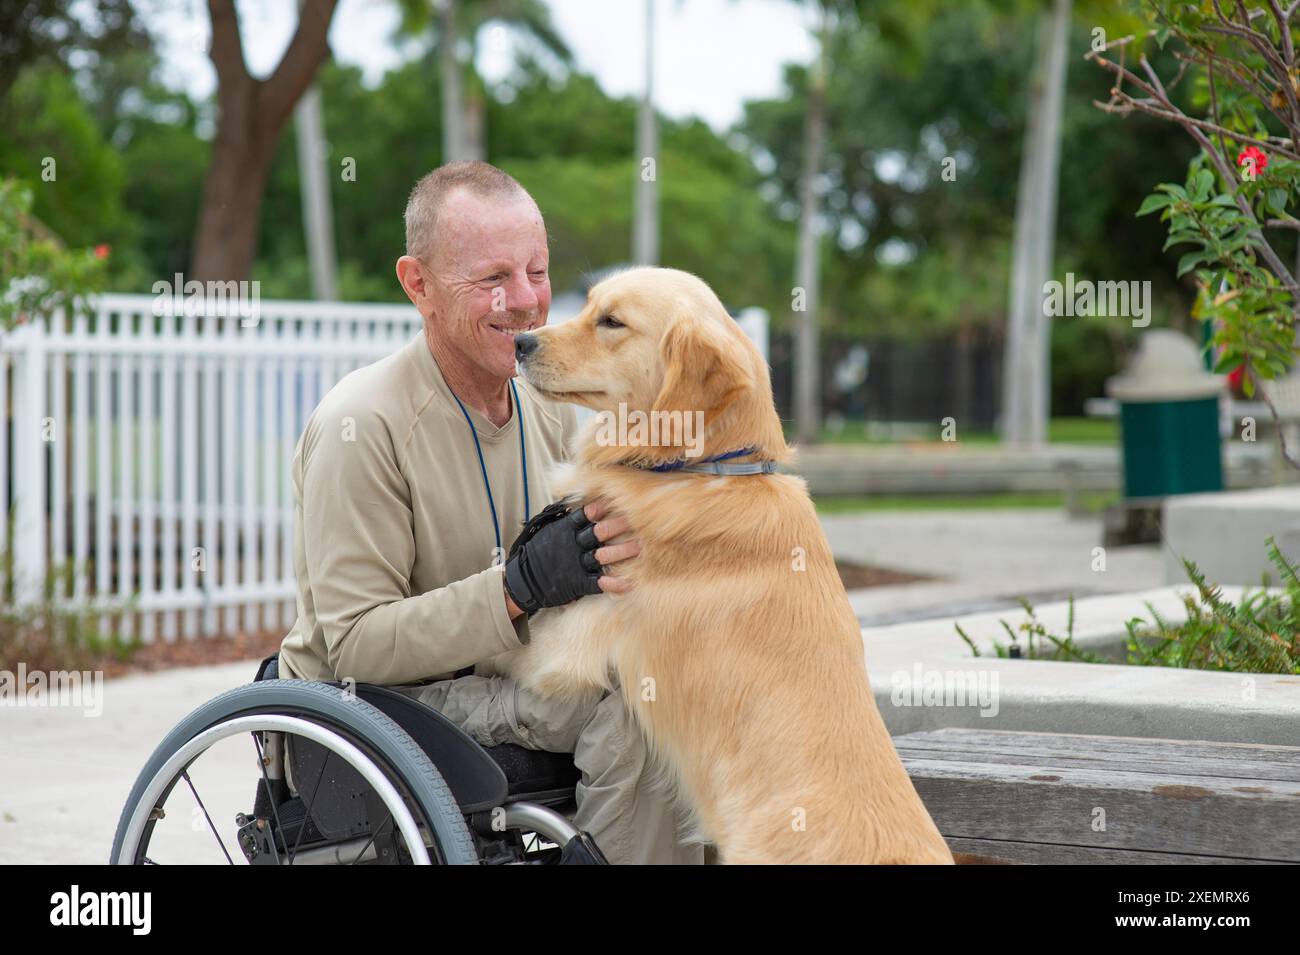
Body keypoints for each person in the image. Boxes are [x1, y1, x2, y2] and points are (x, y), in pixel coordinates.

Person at [277, 160, 702, 864]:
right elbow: (352, 644)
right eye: (493, 278)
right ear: (418, 284)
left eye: (536, 271)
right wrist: (516, 588)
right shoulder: (363, 424)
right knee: (636, 705)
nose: (527, 299)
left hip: (501, 676)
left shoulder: (546, 402)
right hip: (375, 711)